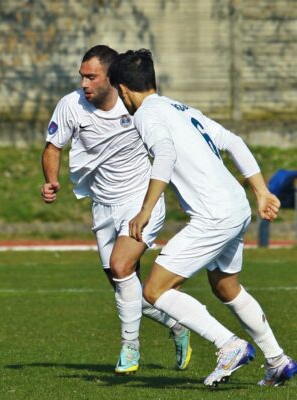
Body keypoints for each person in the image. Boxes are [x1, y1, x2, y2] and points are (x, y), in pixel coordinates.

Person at [108, 48, 297, 387]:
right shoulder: (180, 107)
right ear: (154, 81)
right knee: (226, 286)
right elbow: (234, 142)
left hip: (213, 215)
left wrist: (146, 209)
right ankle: (278, 360)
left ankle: (229, 345)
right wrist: (260, 191)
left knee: (155, 290)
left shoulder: (146, 116)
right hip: (235, 207)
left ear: (123, 90)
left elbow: (164, 154)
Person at [41, 45, 192, 375]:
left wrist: (183, 194)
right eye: (82, 77)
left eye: (91, 77)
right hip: (102, 207)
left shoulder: (137, 108)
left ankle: (129, 348)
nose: (84, 84)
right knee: (127, 288)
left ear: (112, 79)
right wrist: (51, 180)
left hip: (140, 204)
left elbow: (167, 153)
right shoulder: (71, 106)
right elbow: (53, 147)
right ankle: (178, 323)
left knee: (121, 266)